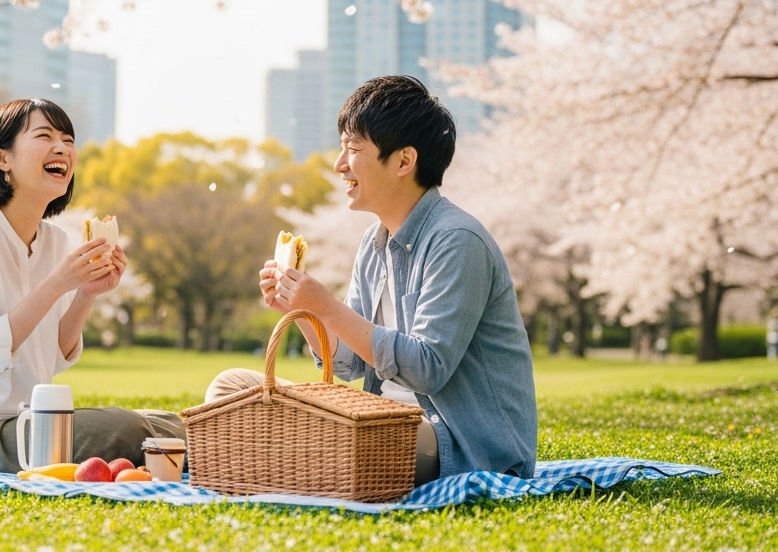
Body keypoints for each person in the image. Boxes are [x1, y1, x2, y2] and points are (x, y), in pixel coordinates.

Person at [205, 76, 538, 481]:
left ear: (403, 161)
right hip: (379, 420)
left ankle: (261, 461)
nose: (339, 165)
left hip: (459, 444)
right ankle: (274, 459)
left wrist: (327, 306)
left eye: (353, 150)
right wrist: (306, 310)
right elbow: (346, 364)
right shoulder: (374, 242)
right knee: (231, 389)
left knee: (319, 434)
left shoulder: (456, 241)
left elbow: (427, 369)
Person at [0, 98, 184, 471]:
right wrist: (56, 284)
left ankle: (227, 452)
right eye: (45, 136)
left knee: (174, 424)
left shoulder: (53, 241)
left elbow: (50, 356)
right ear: (2, 159)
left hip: (29, 424)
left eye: (68, 140)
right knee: (127, 428)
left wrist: (85, 293)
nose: (62, 149)